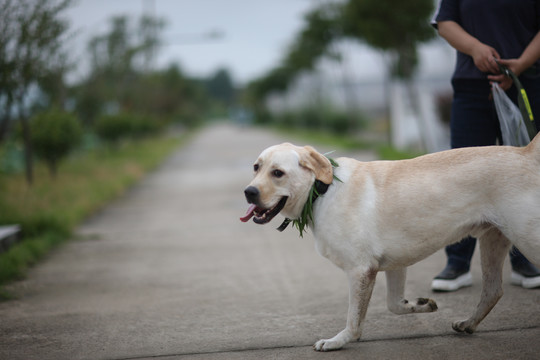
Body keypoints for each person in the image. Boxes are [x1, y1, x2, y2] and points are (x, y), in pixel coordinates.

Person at [431, 0, 540, 291]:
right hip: (471, 89)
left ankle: (524, 259)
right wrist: (475, 48)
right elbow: (445, 23)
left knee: (523, 177)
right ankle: (457, 262)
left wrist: (522, 63)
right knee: (460, 177)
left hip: (525, 84)